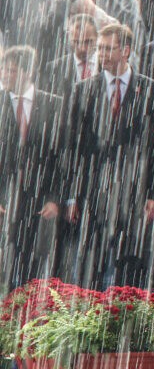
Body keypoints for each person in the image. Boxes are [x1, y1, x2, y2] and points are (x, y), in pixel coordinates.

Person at [65, 24, 154, 288]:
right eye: (100, 48)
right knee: (90, 272)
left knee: (131, 272)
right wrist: (73, 194)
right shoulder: (84, 90)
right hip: (94, 196)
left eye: (109, 48)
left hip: (135, 196)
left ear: (126, 51)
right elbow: (76, 149)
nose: (103, 54)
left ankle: (124, 326)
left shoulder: (152, 91)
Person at [0, 46, 64, 288]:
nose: (5, 75)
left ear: (27, 72)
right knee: (6, 266)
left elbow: (60, 156)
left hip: (40, 202)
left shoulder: (53, 105)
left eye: (12, 70)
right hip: (5, 203)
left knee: (35, 269)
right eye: (3, 69)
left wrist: (54, 198)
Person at [39, 13, 99, 98]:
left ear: (97, 37)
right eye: (77, 42)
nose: (82, 48)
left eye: (88, 42)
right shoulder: (54, 69)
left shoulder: (110, 66)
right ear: (68, 38)